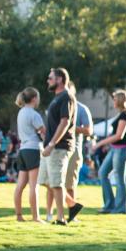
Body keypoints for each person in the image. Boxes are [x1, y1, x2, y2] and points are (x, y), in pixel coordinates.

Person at [37, 68, 79, 226]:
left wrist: (52, 143)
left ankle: (61, 219)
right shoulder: (56, 98)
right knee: (45, 180)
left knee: (56, 182)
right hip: (50, 145)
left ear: (60, 79)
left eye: (50, 78)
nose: (48, 80)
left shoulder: (66, 97)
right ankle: (73, 205)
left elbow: (65, 122)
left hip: (59, 147)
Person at [94, 90, 126, 214]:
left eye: (115, 99)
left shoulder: (125, 115)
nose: (114, 101)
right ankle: (109, 205)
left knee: (119, 178)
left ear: (121, 101)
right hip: (115, 149)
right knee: (102, 173)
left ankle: (120, 208)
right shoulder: (120, 114)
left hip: (122, 150)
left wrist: (100, 143)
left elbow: (119, 135)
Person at [13, 88, 46, 223]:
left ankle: (19, 215)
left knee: (20, 185)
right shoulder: (34, 114)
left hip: (23, 150)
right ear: (34, 99)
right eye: (37, 98)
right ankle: (36, 217)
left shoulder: (20, 112)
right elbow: (44, 133)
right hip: (33, 149)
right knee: (34, 186)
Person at [64, 82, 93, 223]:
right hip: (58, 149)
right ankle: (51, 214)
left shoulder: (81, 109)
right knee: (54, 183)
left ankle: (72, 214)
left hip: (74, 150)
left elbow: (89, 130)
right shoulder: (58, 106)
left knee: (70, 184)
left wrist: (69, 127)